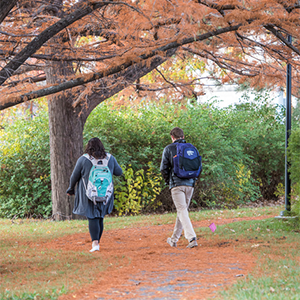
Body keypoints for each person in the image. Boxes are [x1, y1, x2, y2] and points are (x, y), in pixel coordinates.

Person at [67, 137, 123, 252]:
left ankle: (95, 243)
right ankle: (97, 242)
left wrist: (70, 189)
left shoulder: (83, 159)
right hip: (105, 194)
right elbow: (119, 172)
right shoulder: (110, 158)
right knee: (100, 217)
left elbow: (74, 176)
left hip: (88, 194)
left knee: (92, 217)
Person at [160, 127, 198, 248]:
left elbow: (163, 169)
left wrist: (169, 181)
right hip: (190, 184)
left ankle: (191, 238)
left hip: (177, 185)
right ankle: (174, 239)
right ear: (183, 136)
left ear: (172, 137)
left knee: (182, 210)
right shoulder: (192, 148)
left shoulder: (169, 148)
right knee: (182, 211)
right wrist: (193, 180)